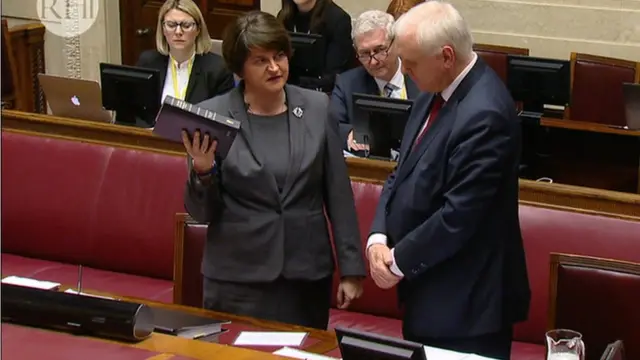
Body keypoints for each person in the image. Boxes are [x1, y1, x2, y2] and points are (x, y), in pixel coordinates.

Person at [181, 10, 366, 330]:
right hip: (237, 279)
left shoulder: (317, 108)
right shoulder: (211, 116)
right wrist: (203, 170)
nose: (274, 67)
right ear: (240, 68)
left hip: (305, 276)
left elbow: (338, 195)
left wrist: (351, 269)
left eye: (279, 55)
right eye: (260, 60)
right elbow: (202, 213)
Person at [366, 2, 530, 359]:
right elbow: (400, 170)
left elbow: (458, 216)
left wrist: (395, 262)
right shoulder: (432, 90)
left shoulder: (486, 113)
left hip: (467, 306)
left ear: (446, 56)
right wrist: (378, 237)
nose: (403, 71)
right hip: (428, 293)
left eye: (409, 62)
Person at [329, 10, 420, 153]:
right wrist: (348, 135)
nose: (373, 62)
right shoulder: (347, 83)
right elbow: (331, 125)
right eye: (365, 54)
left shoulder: (422, 76)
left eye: (380, 50)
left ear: (396, 43)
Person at [136, 0, 234, 105]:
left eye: (186, 25)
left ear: (198, 30)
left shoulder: (218, 69)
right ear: (163, 29)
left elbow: (223, 115)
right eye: (171, 25)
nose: (178, 32)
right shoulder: (148, 62)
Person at [277, 0, 354, 92]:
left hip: (323, 91)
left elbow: (333, 76)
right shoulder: (284, 17)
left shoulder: (338, 19)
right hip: (288, 89)